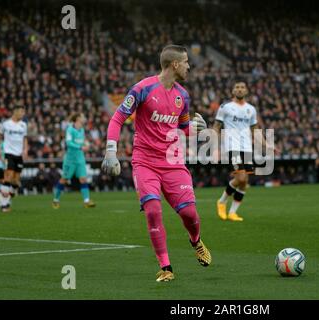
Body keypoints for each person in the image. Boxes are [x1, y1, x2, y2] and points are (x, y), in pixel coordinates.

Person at [101, 44, 211, 282]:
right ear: (174, 64)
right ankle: (166, 267)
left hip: (172, 161)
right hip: (145, 162)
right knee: (152, 210)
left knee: (190, 214)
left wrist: (195, 128)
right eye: (186, 62)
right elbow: (118, 118)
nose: (189, 67)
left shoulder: (183, 95)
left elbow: (182, 128)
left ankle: (196, 241)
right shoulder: (143, 88)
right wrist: (111, 151)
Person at [213, 79, 260, 221]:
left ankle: (233, 212)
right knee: (240, 177)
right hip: (232, 146)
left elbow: (255, 130)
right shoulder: (225, 107)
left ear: (246, 91)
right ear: (233, 91)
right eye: (237, 87)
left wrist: (267, 145)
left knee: (245, 181)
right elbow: (216, 126)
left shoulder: (251, 109)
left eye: (242, 87)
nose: (239, 89)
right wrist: (214, 146)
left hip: (246, 148)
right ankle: (221, 201)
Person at [52, 113, 96, 208]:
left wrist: (86, 144)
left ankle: (87, 201)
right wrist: (81, 147)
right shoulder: (70, 129)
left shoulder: (82, 130)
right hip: (70, 159)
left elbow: (82, 141)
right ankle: (55, 200)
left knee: (83, 179)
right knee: (64, 179)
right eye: (83, 116)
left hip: (80, 158)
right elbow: (68, 143)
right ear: (77, 118)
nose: (84, 118)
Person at [0, 106, 28, 212]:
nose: (23, 114)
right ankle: (4, 205)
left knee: (15, 182)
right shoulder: (5, 124)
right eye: (22, 112)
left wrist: (25, 150)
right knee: (8, 177)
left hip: (19, 155)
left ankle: (4, 197)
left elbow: (25, 138)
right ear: (15, 112)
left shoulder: (23, 125)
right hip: (8, 153)